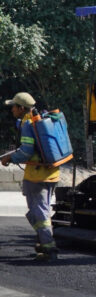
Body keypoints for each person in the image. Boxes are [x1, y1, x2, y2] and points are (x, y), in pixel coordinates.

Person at [0, 92, 60, 261]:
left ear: (21, 108)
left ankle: (49, 249)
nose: (11, 109)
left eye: (14, 106)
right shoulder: (40, 118)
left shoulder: (28, 124)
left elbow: (26, 151)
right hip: (51, 174)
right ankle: (42, 243)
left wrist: (10, 159)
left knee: (39, 213)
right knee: (43, 211)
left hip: (37, 176)